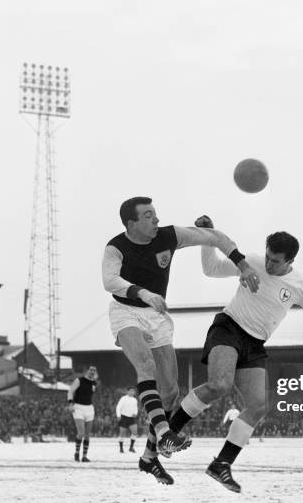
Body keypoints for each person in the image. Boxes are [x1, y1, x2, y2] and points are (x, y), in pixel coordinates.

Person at [169, 216, 303, 492]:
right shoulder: (251, 261)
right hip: (228, 328)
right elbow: (212, 269)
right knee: (220, 384)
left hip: (254, 344)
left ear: (290, 261)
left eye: (275, 261)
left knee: (258, 405)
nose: (268, 264)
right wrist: (206, 237)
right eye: (267, 257)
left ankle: (221, 464)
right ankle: (169, 431)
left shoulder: (300, 287)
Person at [102, 197, 259, 485]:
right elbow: (110, 281)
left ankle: (149, 459)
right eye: (148, 216)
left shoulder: (169, 236)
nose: (156, 220)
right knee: (145, 366)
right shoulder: (116, 247)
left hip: (157, 314)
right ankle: (165, 435)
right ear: (131, 223)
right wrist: (142, 293)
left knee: (171, 392)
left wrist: (243, 265)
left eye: (155, 214)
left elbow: (216, 237)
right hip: (126, 312)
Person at [67, 366, 99, 462]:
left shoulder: (94, 383)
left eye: (94, 370)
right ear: (87, 371)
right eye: (90, 370)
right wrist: (70, 403)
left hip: (89, 408)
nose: (92, 372)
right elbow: (71, 391)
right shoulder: (79, 380)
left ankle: (84, 456)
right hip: (78, 407)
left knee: (87, 434)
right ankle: (77, 452)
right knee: (81, 432)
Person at [116, 386, 139, 453]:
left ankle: (131, 447)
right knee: (122, 433)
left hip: (131, 418)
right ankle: (121, 448)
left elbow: (136, 408)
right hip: (123, 417)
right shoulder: (123, 398)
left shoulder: (135, 400)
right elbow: (118, 407)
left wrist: (135, 413)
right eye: (130, 391)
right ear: (127, 391)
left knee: (135, 432)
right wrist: (118, 415)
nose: (132, 392)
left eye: (133, 391)